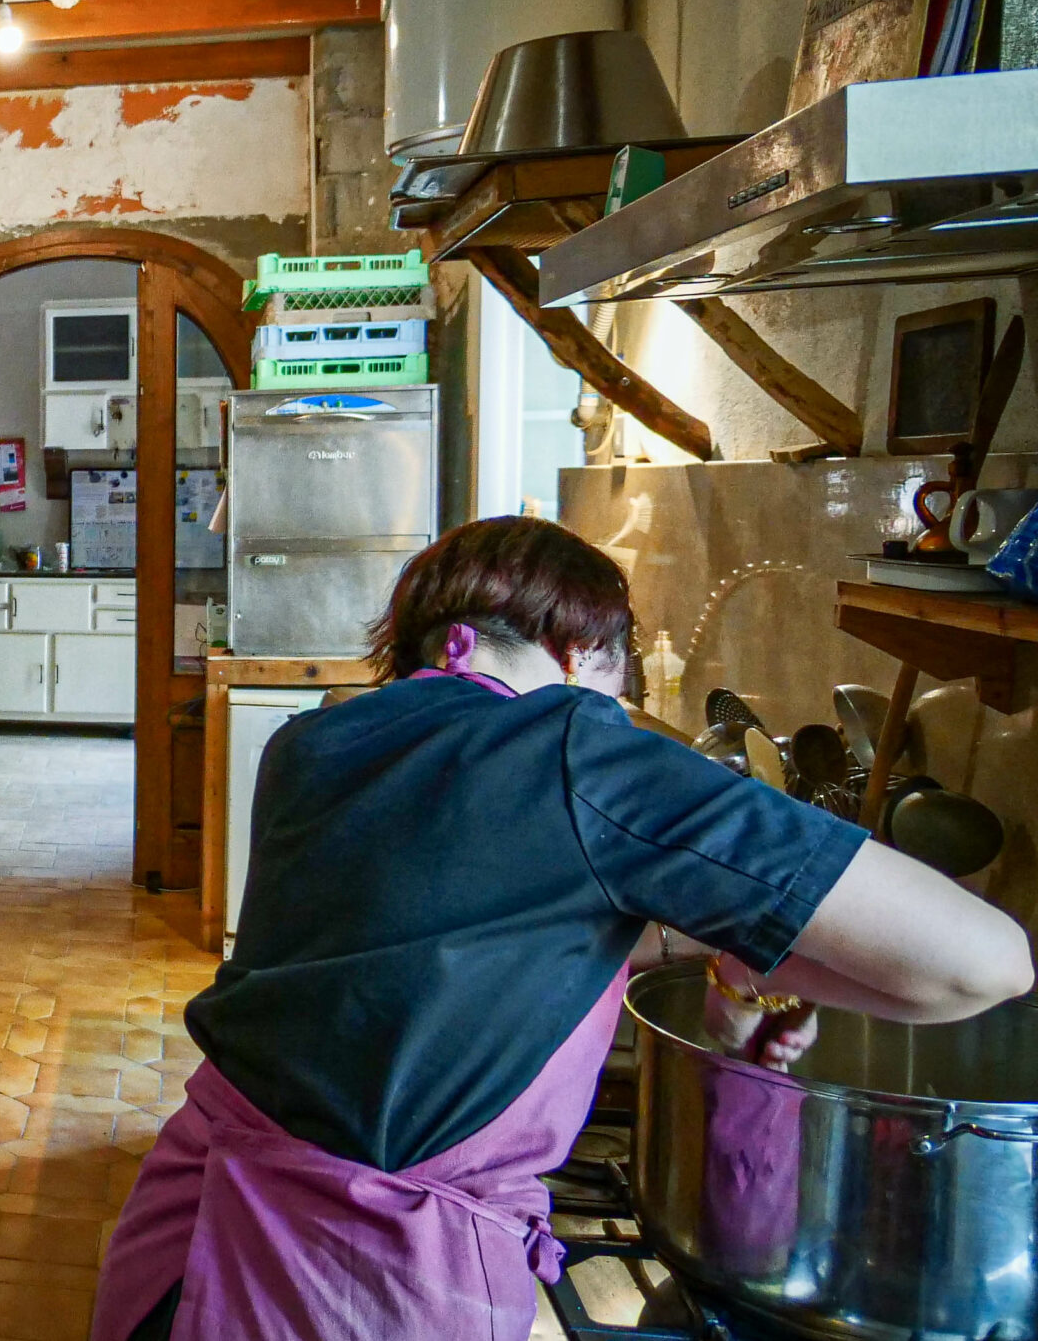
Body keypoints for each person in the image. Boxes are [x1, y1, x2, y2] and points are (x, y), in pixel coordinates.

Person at [93, 516, 1032, 1341]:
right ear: (579, 651)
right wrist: (755, 945)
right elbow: (985, 967)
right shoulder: (583, 748)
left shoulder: (312, 743)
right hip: (354, 1281)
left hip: (181, 1231)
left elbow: (465, 945)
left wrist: (736, 956)